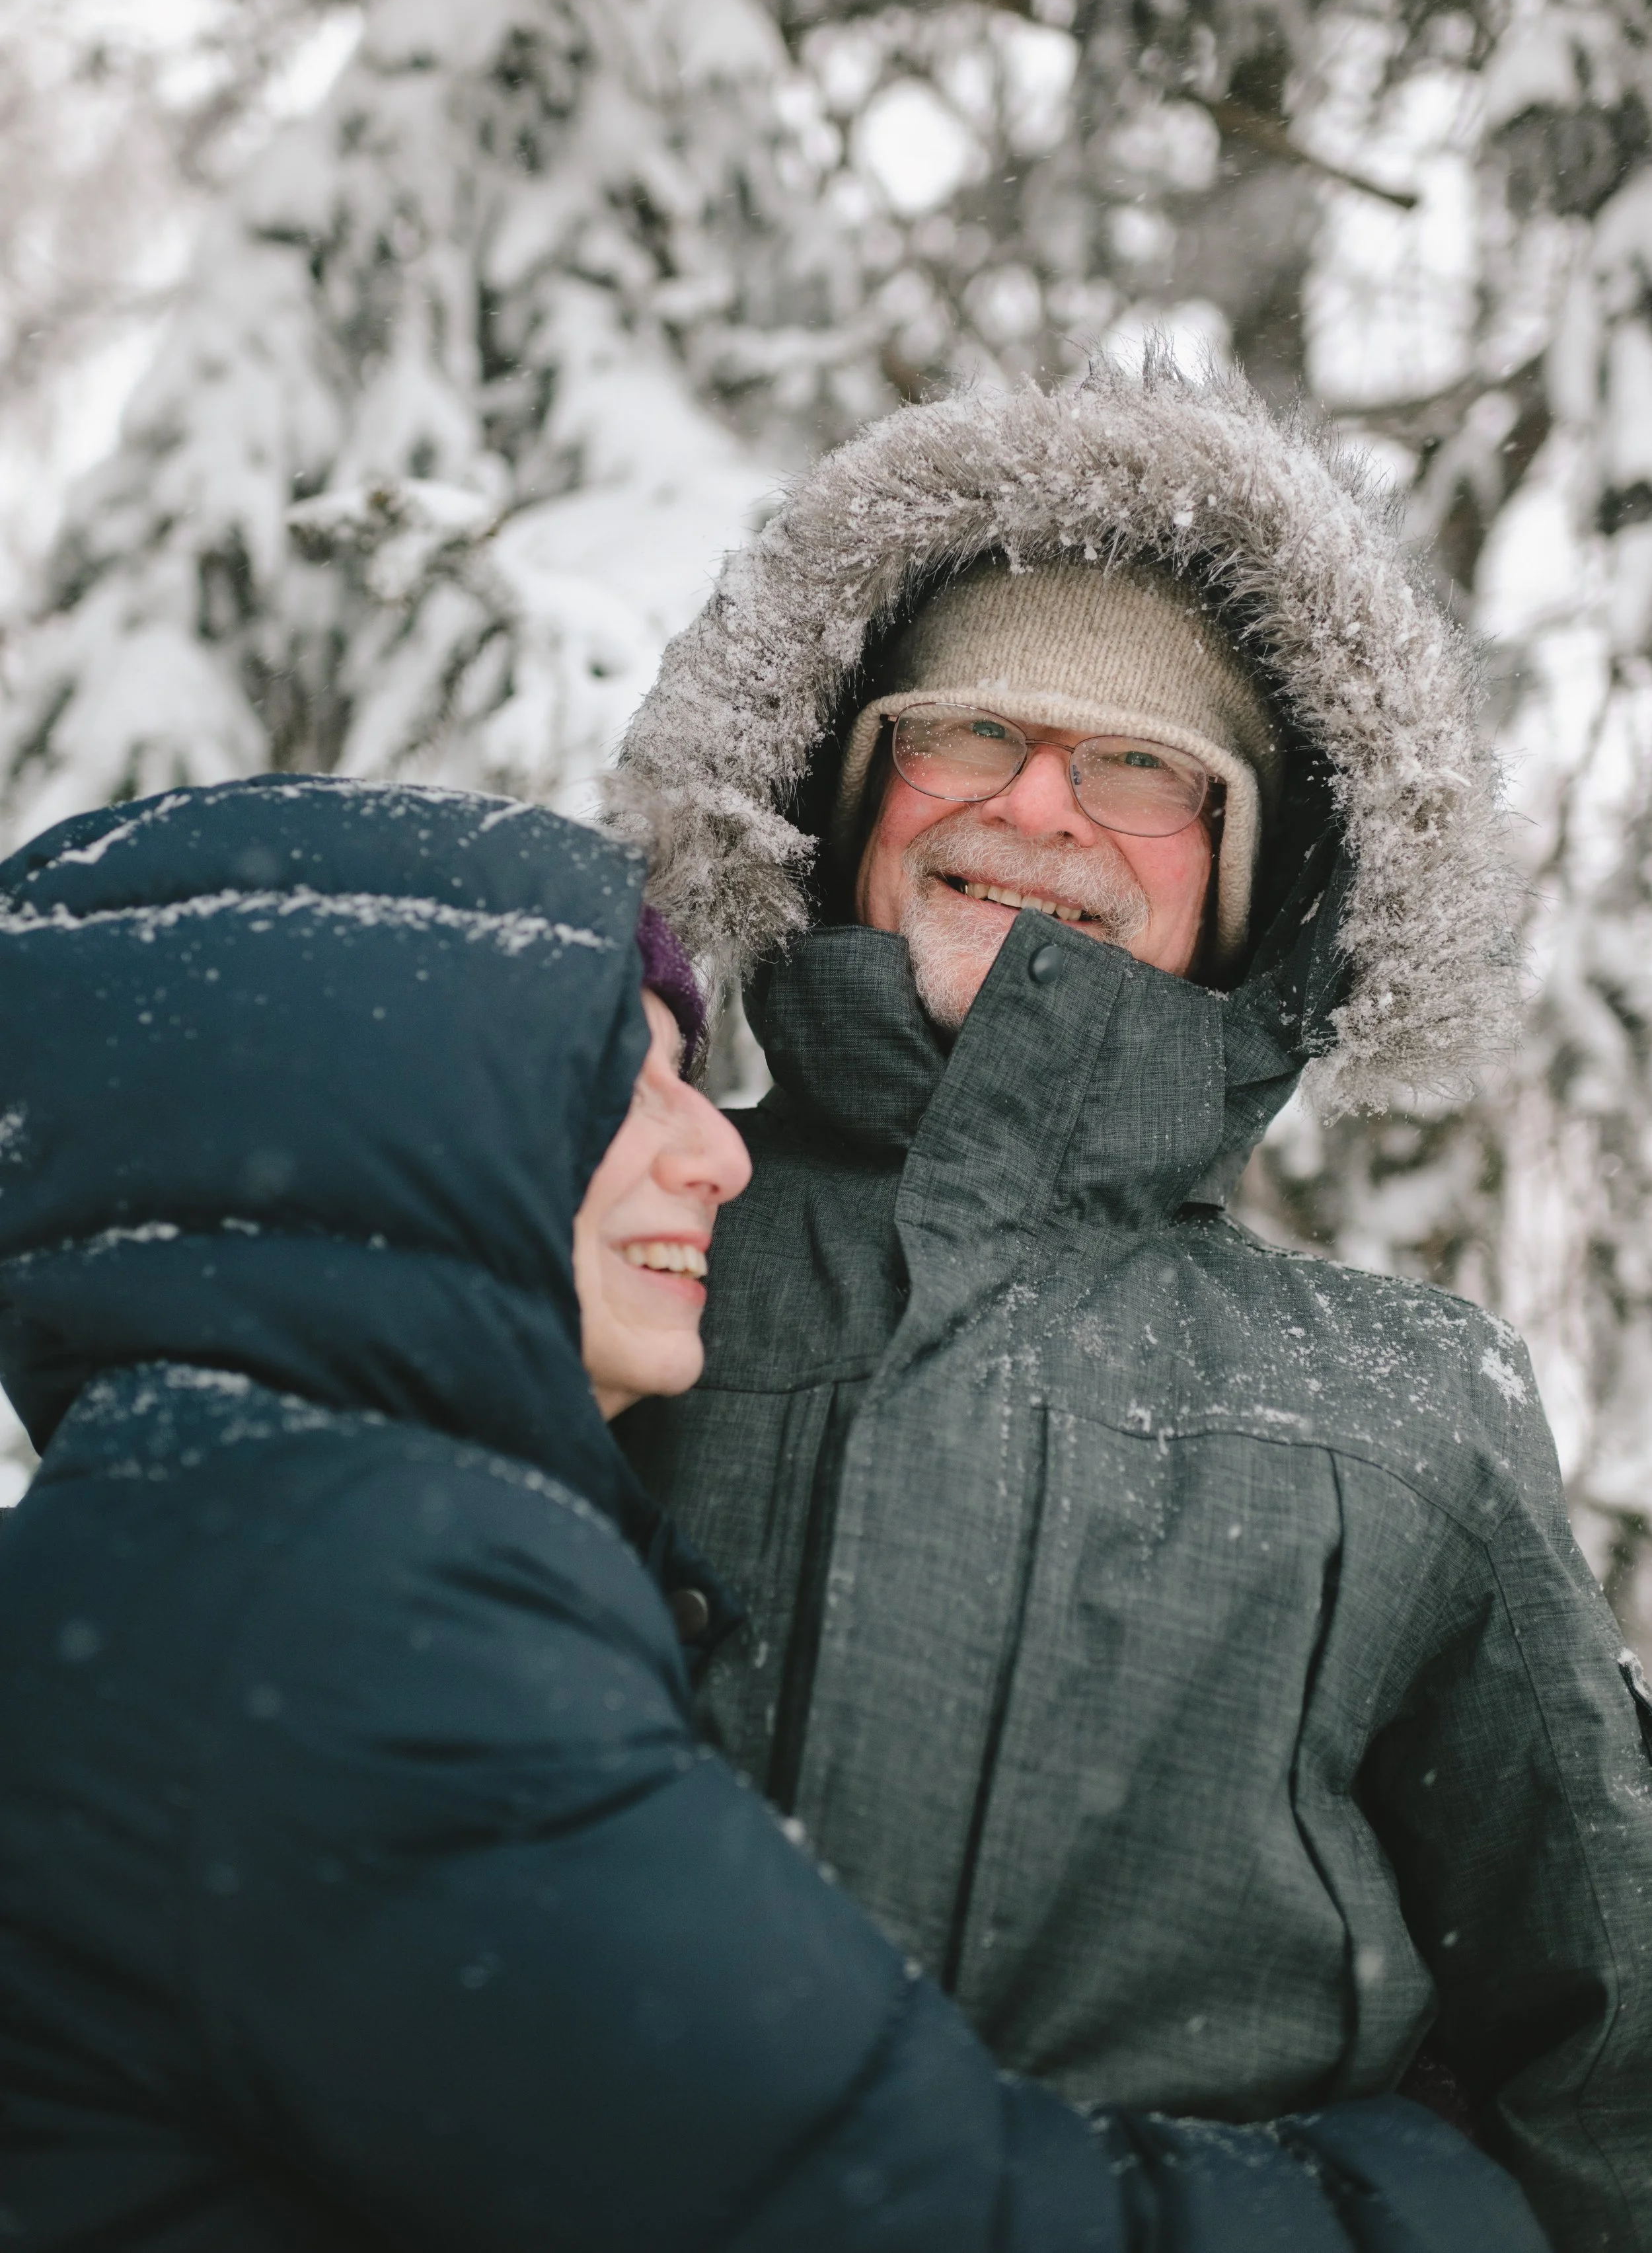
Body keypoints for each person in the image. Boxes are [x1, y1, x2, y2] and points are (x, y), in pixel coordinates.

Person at [0, 773, 1542, 2252]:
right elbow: (882, 2216)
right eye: (625, 1077)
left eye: (1146, 769)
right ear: (372, 1122)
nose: (714, 1147)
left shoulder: (208, 1523)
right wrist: (1441, 2194)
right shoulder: (353, 1607)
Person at [607, 358, 1652, 2253]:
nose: (1035, 805)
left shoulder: (1404, 1402)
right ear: (844, 798)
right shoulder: (640, 1231)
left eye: (1142, 764)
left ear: (1246, 883)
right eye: (969, 730)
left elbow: (1601, 2050)